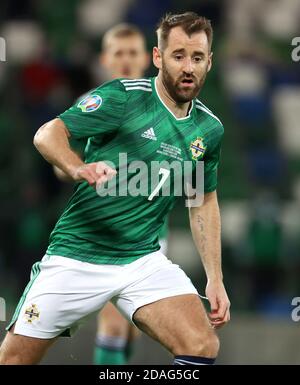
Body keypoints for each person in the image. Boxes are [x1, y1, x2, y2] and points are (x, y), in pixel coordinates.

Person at [0, 12, 230, 365]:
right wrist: (77, 167)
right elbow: (47, 133)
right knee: (14, 360)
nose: (188, 67)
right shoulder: (123, 97)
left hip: (142, 260)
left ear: (209, 62)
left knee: (201, 344)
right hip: (78, 254)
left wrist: (215, 278)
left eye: (197, 58)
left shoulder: (208, 130)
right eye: (178, 55)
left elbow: (201, 200)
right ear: (157, 57)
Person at [54, 23, 156, 365]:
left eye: (132, 53)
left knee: (131, 327)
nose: (126, 60)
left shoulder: (161, 107)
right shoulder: (94, 104)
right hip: (102, 226)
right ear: (105, 59)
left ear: (146, 58)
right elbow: (60, 157)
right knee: (113, 324)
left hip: (148, 231)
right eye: (118, 53)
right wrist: (78, 168)